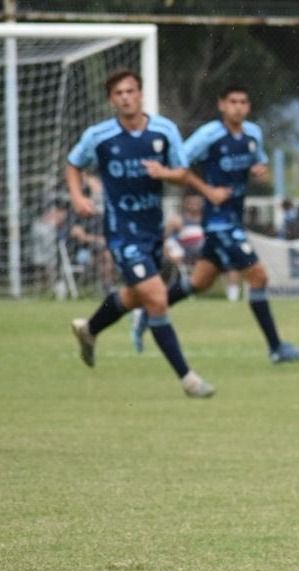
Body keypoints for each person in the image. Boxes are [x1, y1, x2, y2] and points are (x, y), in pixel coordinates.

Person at [132, 85, 299, 364]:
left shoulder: (253, 133)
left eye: (243, 101)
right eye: (233, 101)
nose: (238, 106)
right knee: (259, 277)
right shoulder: (209, 135)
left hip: (233, 218)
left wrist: (258, 169)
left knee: (199, 282)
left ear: (248, 106)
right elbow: (180, 166)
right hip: (218, 222)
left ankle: (149, 309)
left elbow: (258, 160)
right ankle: (276, 348)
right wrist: (209, 191)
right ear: (222, 105)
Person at [65, 69, 216, 398]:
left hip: (152, 229)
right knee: (157, 298)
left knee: (138, 295)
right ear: (111, 100)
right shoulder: (100, 136)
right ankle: (188, 379)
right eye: (119, 93)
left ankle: (90, 330)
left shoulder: (164, 130)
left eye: (131, 91)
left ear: (141, 94)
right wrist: (78, 197)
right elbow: (74, 163)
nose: (126, 97)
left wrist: (165, 173)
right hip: (121, 230)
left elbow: (182, 173)